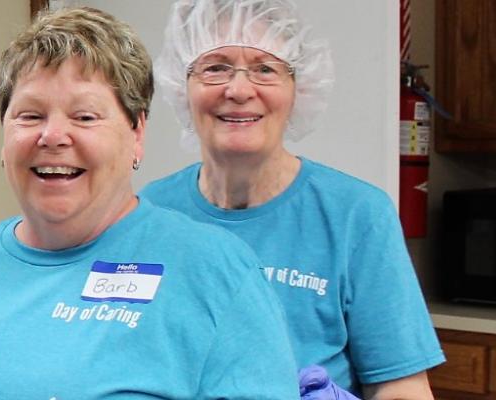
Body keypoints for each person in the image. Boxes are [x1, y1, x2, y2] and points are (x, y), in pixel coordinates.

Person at [0, 7, 296, 398]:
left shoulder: (213, 273)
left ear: (137, 133)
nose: (53, 136)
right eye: (30, 115)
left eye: (85, 116)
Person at [138, 0, 442, 396]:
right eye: (215, 67)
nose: (239, 89)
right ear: (183, 84)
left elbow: (402, 389)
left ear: (299, 88)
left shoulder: (356, 215)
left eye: (265, 69)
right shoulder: (151, 210)